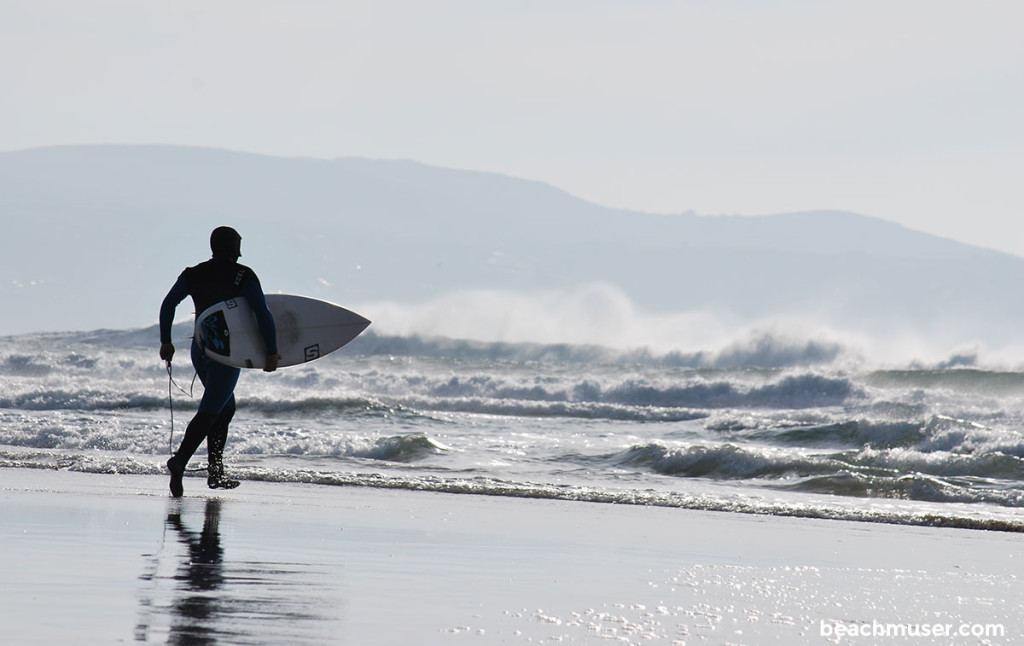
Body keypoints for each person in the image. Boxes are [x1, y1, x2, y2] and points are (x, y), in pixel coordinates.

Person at [159, 226, 280, 497]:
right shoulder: (243, 275)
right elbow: (263, 313)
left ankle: (215, 472)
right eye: (238, 244)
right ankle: (180, 462)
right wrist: (271, 351)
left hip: (200, 348)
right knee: (212, 409)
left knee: (224, 408)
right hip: (227, 352)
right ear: (233, 247)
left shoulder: (194, 273)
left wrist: (165, 341)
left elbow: (168, 304)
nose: (241, 249)